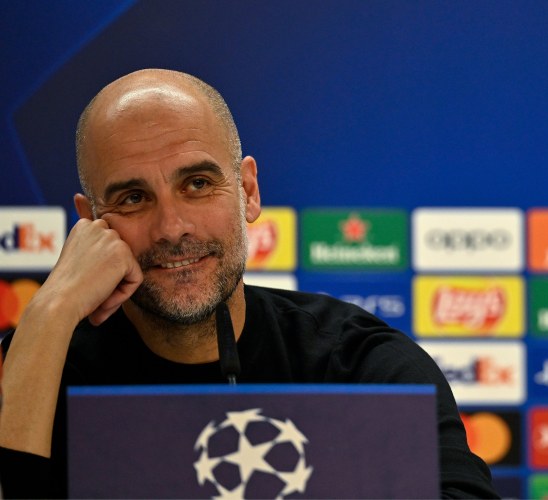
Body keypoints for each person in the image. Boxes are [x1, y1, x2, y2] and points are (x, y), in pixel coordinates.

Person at [0, 69, 498, 498]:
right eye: (133, 198)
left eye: (197, 184)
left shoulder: (358, 363)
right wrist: (49, 313)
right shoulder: (35, 366)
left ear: (248, 191)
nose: (172, 228)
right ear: (90, 223)